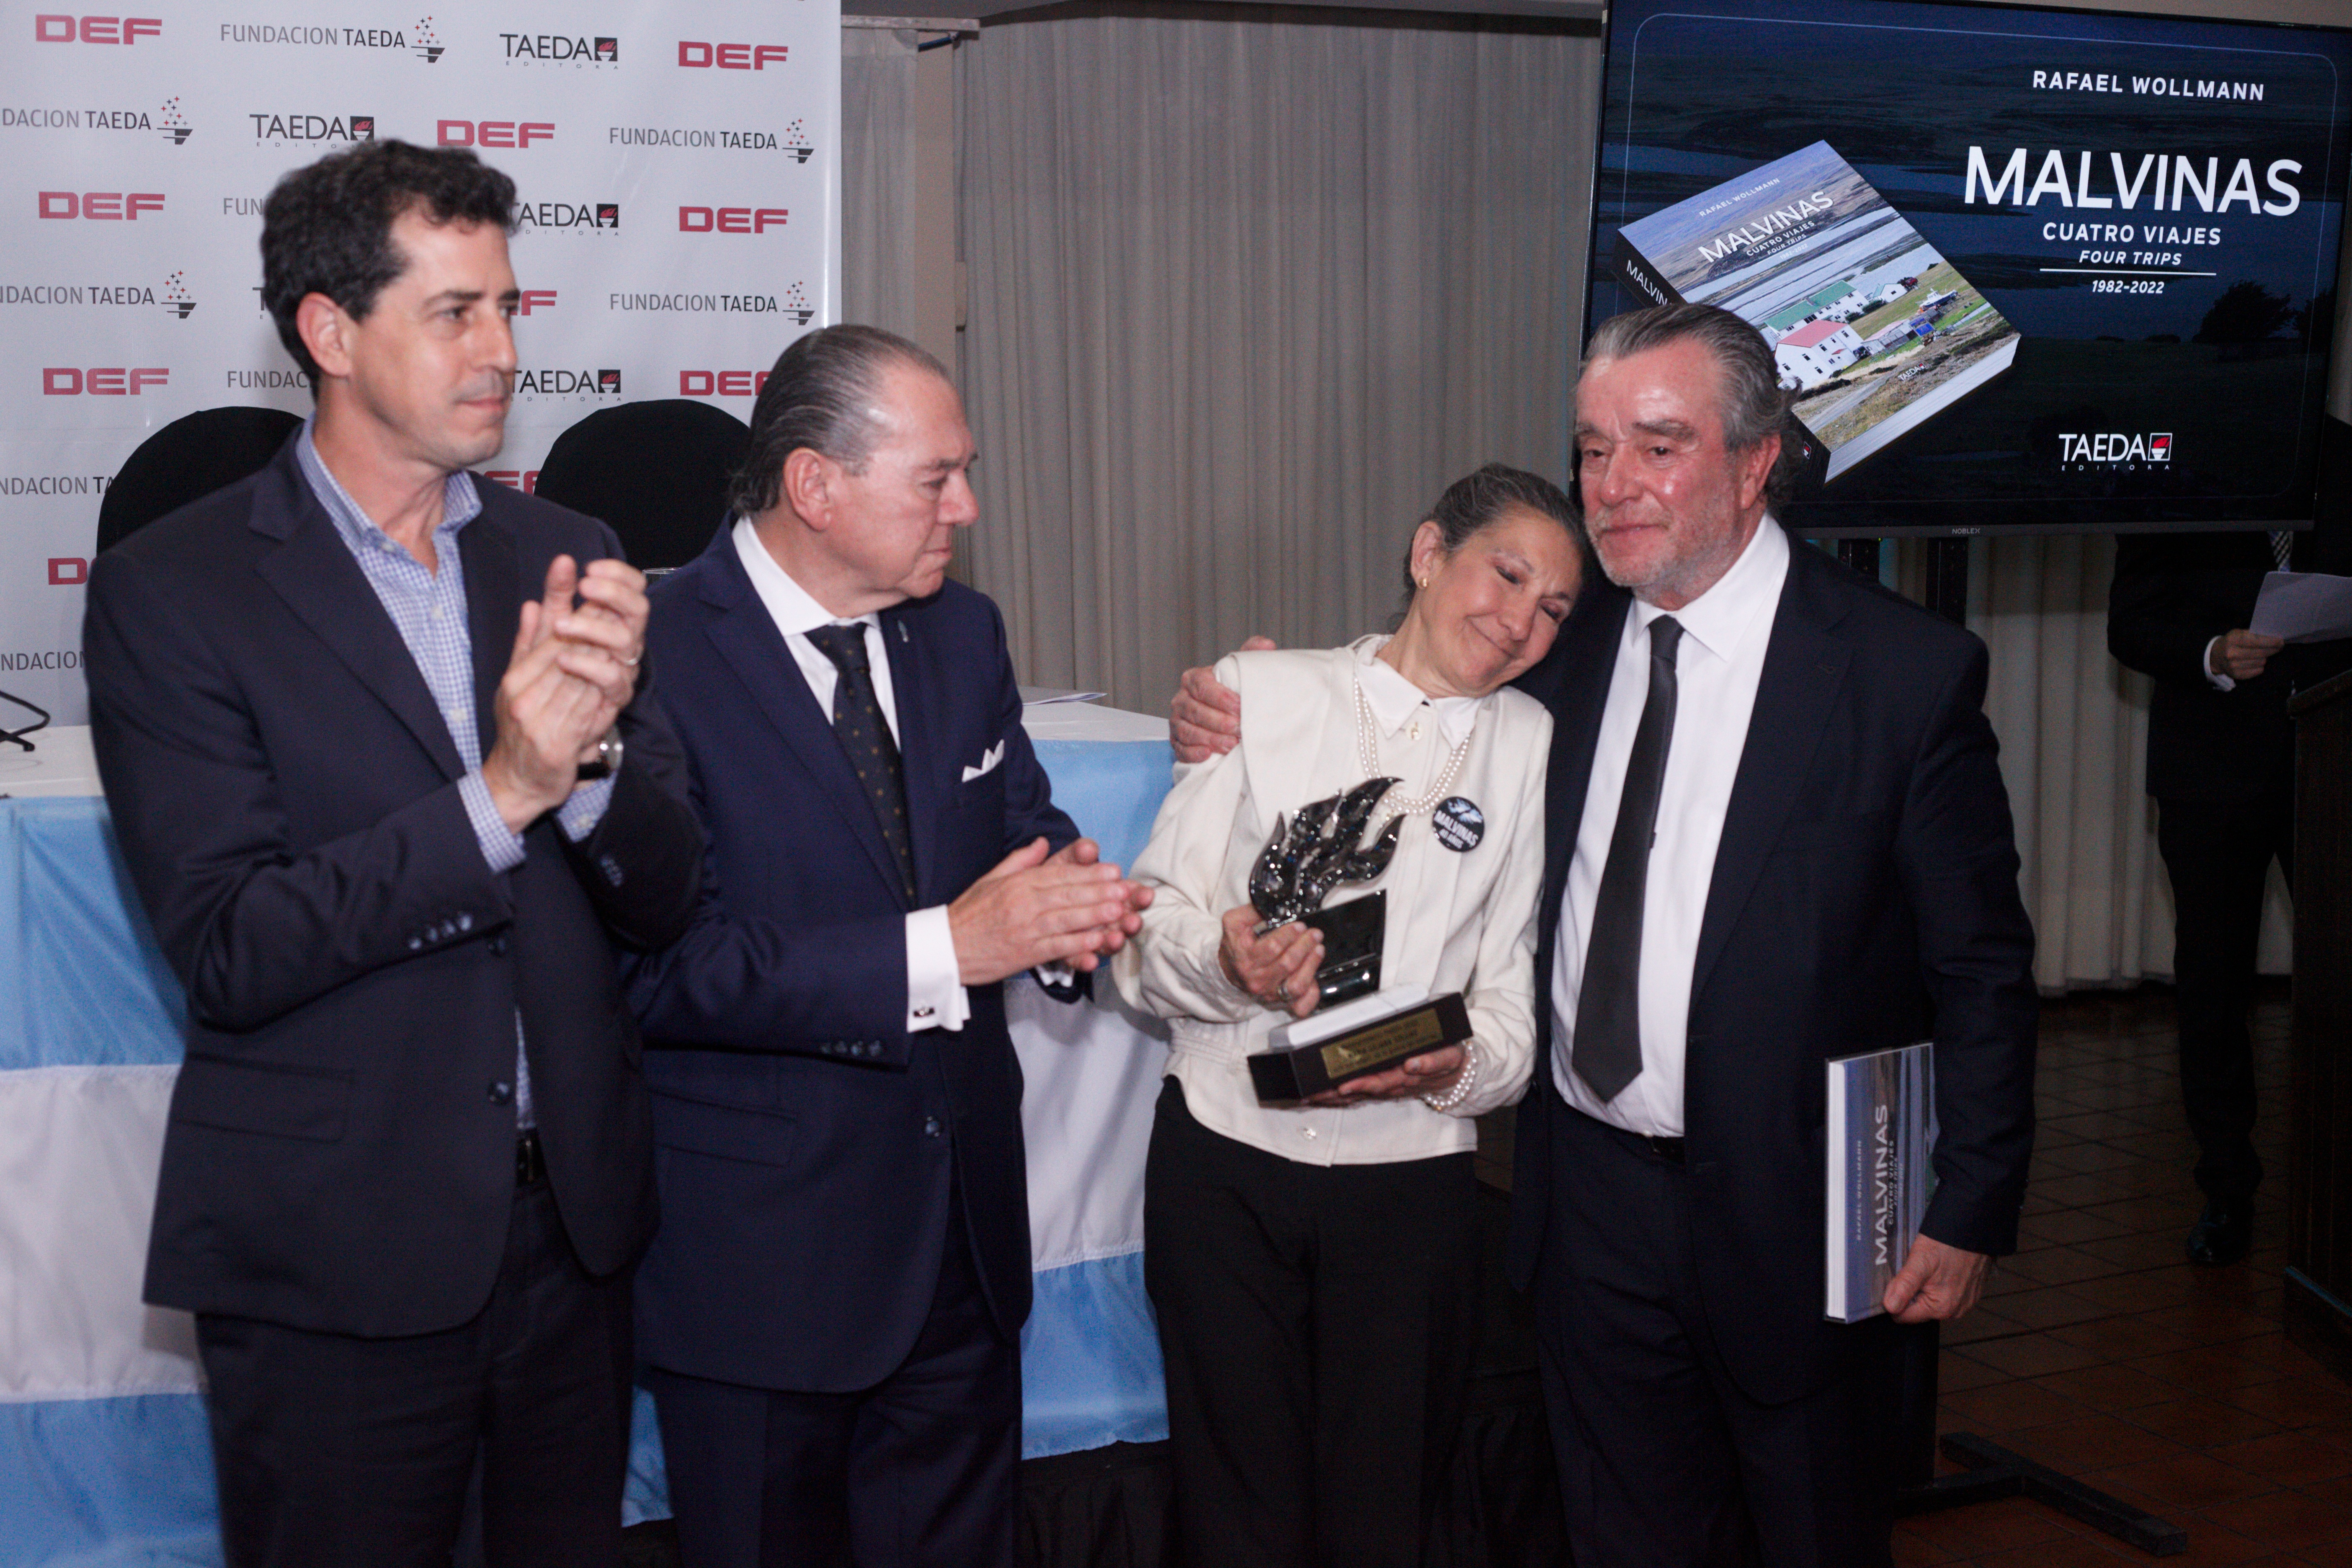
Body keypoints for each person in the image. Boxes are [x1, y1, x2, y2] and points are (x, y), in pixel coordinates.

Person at [1171, 302, 2037, 1566]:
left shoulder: (1900, 676)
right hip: (1589, 1212)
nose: (1613, 487)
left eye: (1658, 445)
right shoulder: (1549, 661)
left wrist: (1968, 1210)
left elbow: (1983, 971)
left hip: (1796, 1216)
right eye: (1593, 449)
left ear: (1757, 463)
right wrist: (1239, 699)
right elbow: (1397, 699)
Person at [81, 139, 704, 1565]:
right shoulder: (175, 591)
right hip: (334, 1254)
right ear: (329, 332)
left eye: (507, 307)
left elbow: (672, 894)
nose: (502, 350)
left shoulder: (564, 547)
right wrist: (505, 790)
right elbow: (234, 943)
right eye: (455, 313)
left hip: (575, 1239)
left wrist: (592, 772)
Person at [622, 324, 1153, 1568]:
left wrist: (1082, 918)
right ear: (816, 485)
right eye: (937, 478)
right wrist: (948, 951)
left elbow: (1026, 829)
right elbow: (661, 967)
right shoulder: (645, 654)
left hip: (961, 1254)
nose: (965, 506)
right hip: (760, 1273)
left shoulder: (960, 633)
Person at [1118, 464, 1582, 1568]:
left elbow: (1514, 996)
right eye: (1505, 574)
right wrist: (1229, 961)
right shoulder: (1262, 693)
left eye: (1555, 608)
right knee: (1237, 1507)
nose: (1519, 621)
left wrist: (1454, 1065)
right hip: (1227, 1158)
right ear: (1429, 556)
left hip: (1412, 1186)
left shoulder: (1532, 748)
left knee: (1388, 1511)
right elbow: (1145, 940)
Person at [2107, 524, 2345, 1265]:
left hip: (2334, 761)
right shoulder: (2187, 483)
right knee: (2214, 987)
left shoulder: (2343, 463)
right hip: (2210, 771)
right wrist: (2211, 652)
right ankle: (2227, 1189)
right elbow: (2131, 624)